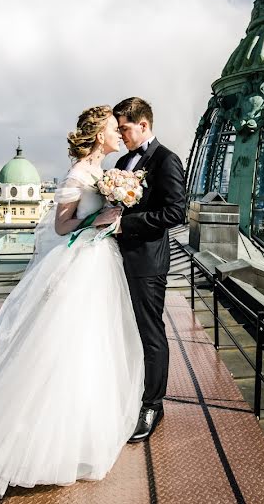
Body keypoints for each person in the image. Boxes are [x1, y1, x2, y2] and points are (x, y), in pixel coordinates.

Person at [0, 105, 144, 498]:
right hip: (80, 266)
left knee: (89, 350)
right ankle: (20, 447)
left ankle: (75, 439)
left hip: (99, 266)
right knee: (56, 350)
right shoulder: (79, 173)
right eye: (113, 127)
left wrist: (114, 211)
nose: (119, 132)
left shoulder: (103, 173)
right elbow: (61, 225)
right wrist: (99, 219)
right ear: (98, 135)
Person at [102, 96, 186, 442]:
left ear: (144, 125)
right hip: (118, 260)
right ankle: (132, 393)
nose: (121, 135)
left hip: (147, 263)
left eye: (124, 128)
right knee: (126, 329)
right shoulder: (123, 161)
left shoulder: (167, 160)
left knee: (150, 333)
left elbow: (175, 213)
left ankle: (153, 404)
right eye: (118, 129)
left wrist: (127, 225)